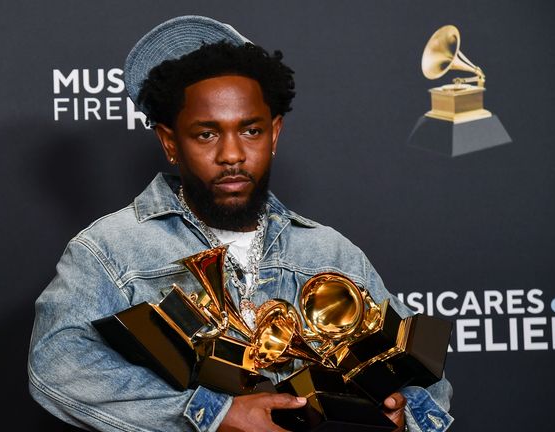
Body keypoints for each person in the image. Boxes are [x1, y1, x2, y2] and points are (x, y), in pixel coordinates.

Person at [29, 15, 453, 432]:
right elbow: (57, 364)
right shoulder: (109, 250)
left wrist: (403, 415)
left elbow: (423, 376)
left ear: (274, 133)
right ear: (170, 142)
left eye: (249, 130)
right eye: (207, 134)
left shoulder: (331, 252)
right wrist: (213, 415)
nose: (231, 154)